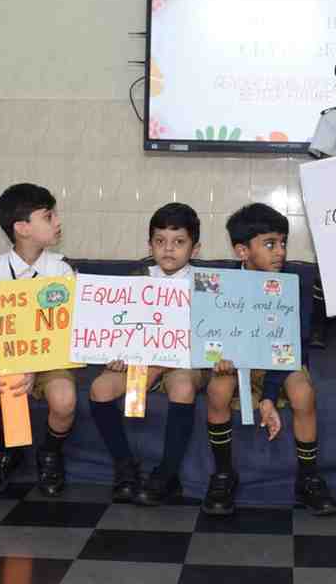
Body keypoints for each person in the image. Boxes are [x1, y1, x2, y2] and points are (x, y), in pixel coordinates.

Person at [202, 203, 336, 516]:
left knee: (303, 392)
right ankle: (223, 474)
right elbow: (208, 333)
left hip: (282, 359)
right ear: (242, 251)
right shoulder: (218, 284)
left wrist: (269, 396)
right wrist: (217, 358)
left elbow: (294, 345)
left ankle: (308, 478)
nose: (280, 252)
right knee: (218, 390)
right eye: (269, 244)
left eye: (283, 243)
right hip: (237, 362)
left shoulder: (294, 284)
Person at [0, 183, 78, 496]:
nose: (58, 221)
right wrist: (2, 368)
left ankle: (50, 454)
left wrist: (32, 366)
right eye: (48, 216)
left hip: (47, 361)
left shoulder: (62, 271)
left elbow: (65, 331)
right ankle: (5, 451)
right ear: (22, 228)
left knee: (64, 400)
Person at [90, 202, 205, 506]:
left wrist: (157, 368)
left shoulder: (204, 284)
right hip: (137, 360)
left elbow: (206, 338)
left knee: (183, 388)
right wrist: (115, 353)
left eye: (179, 242)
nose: (168, 249)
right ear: (150, 244)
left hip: (182, 363)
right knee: (100, 388)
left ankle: (167, 474)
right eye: (160, 241)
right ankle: (125, 466)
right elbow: (116, 324)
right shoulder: (137, 278)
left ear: (194, 249)